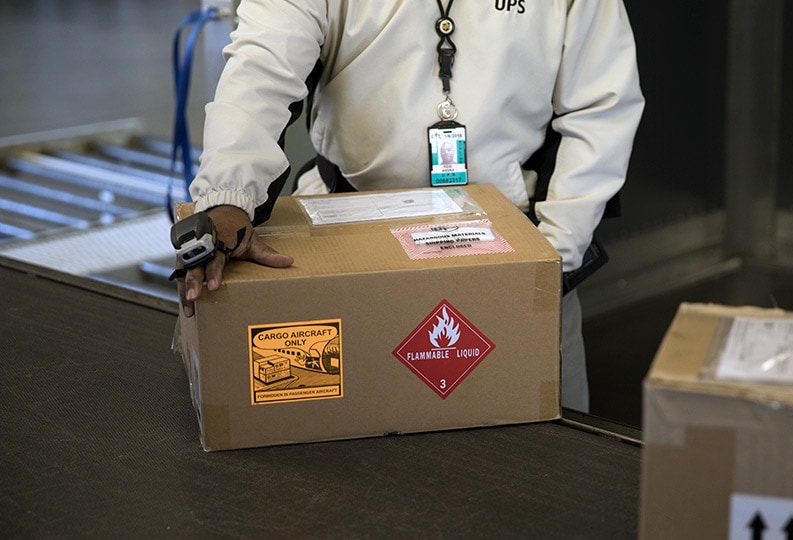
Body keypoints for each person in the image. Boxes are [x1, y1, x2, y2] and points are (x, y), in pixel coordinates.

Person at [177, 0, 644, 413]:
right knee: (347, 456)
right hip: (348, 232)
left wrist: (552, 255)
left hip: (517, 240)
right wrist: (227, 198)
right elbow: (261, 68)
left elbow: (601, 107)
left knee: (542, 457)